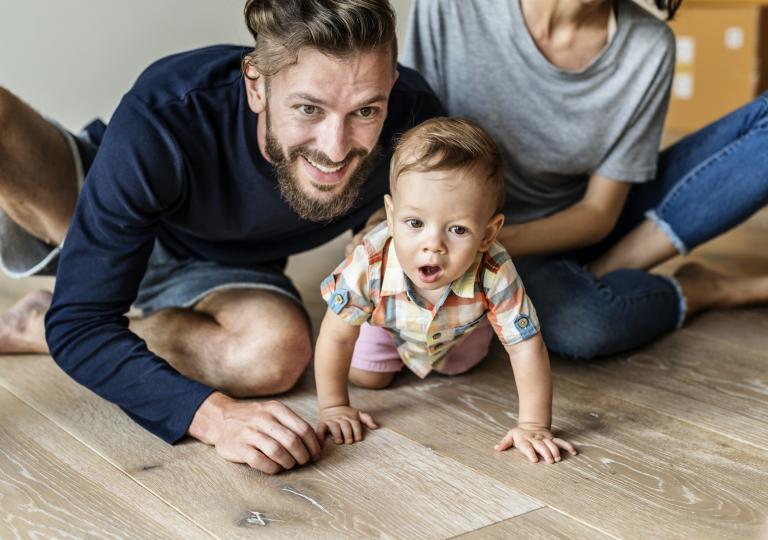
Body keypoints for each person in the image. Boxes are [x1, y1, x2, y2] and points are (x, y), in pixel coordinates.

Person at [0, 0, 441, 474]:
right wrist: (216, 417)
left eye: (365, 110)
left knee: (275, 354)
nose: (335, 148)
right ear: (255, 84)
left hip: (222, 269)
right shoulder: (166, 112)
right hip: (92, 213)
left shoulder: (416, 123)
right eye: (308, 108)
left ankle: (39, 324)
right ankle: (78, 295)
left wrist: (383, 235)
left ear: (390, 87)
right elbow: (81, 325)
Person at [402, 0, 768, 359]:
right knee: (585, 325)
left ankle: (596, 274)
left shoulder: (648, 46)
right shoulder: (450, 6)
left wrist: (492, 243)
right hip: (463, 233)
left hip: (561, 227)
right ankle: (704, 289)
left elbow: (598, 212)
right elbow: (412, 152)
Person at [314, 117, 577, 464]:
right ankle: (391, 350)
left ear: (487, 233)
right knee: (367, 376)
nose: (432, 245)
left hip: (458, 332)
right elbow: (336, 337)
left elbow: (526, 347)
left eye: (457, 229)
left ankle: (479, 327)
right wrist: (334, 406)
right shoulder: (370, 261)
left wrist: (533, 425)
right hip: (387, 323)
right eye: (415, 223)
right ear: (391, 216)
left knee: (460, 367)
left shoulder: (495, 271)